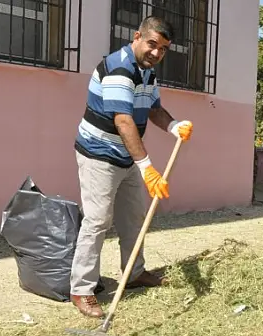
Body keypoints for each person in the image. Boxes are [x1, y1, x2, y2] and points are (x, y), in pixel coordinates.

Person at [70, 16, 194, 318]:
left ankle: (135, 273)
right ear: (137, 36)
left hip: (126, 156)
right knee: (98, 220)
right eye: (152, 44)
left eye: (163, 49)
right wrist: (147, 167)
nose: (156, 53)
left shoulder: (147, 73)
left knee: (134, 218)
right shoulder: (119, 69)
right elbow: (123, 122)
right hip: (98, 154)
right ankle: (81, 289)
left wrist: (174, 126)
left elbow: (153, 109)